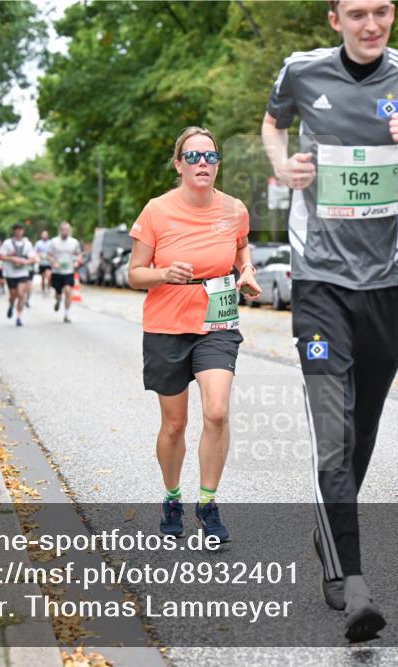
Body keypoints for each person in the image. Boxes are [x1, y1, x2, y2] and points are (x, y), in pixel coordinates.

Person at [261, 0, 398, 642]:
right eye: (357, 13)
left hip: (387, 283)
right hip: (319, 278)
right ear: (335, 20)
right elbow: (272, 127)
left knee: (363, 428)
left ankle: (330, 530)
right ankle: (354, 584)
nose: (371, 24)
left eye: (381, 11)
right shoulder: (301, 71)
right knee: (332, 427)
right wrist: (281, 165)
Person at [127, 126, 260, 544]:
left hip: (217, 321)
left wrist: (248, 271)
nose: (203, 164)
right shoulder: (156, 211)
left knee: (217, 411)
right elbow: (133, 274)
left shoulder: (235, 209)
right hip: (166, 323)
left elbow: (241, 247)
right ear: (179, 164)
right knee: (174, 424)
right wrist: (164, 273)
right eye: (194, 157)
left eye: (211, 157)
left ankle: (207, 504)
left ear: (218, 164)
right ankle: (171, 497)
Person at [0, 223, 37, 326]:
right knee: (13, 295)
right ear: (14, 231)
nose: (18, 232)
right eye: (16, 230)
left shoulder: (27, 244)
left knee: (21, 294)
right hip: (10, 273)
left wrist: (25, 262)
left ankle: (19, 317)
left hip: (22, 272)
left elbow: (33, 258)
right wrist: (12, 259)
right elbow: (1, 256)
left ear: (23, 231)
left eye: (20, 230)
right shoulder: (7, 243)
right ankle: (11, 304)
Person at [48, 222, 83, 323]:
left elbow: (79, 254)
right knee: (58, 293)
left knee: (68, 291)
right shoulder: (54, 242)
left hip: (68, 271)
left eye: (67, 230)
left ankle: (66, 314)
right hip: (57, 271)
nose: (65, 232)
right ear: (60, 230)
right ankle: (58, 299)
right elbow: (49, 255)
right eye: (63, 230)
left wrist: (77, 262)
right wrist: (54, 263)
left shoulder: (74, 242)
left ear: (69, 230)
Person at [35, 229, 53, 296]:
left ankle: (48, 288)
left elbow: (53, 252)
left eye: (46, 234)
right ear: (41, 235)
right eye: (43, 234)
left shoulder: (51, 242)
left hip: (49, 263)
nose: (45, 236)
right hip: (42, 263)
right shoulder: (38, 243)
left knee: (49, 276)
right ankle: (43, 290)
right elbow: (35, 252)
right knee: (42, 278)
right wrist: (39, 256)